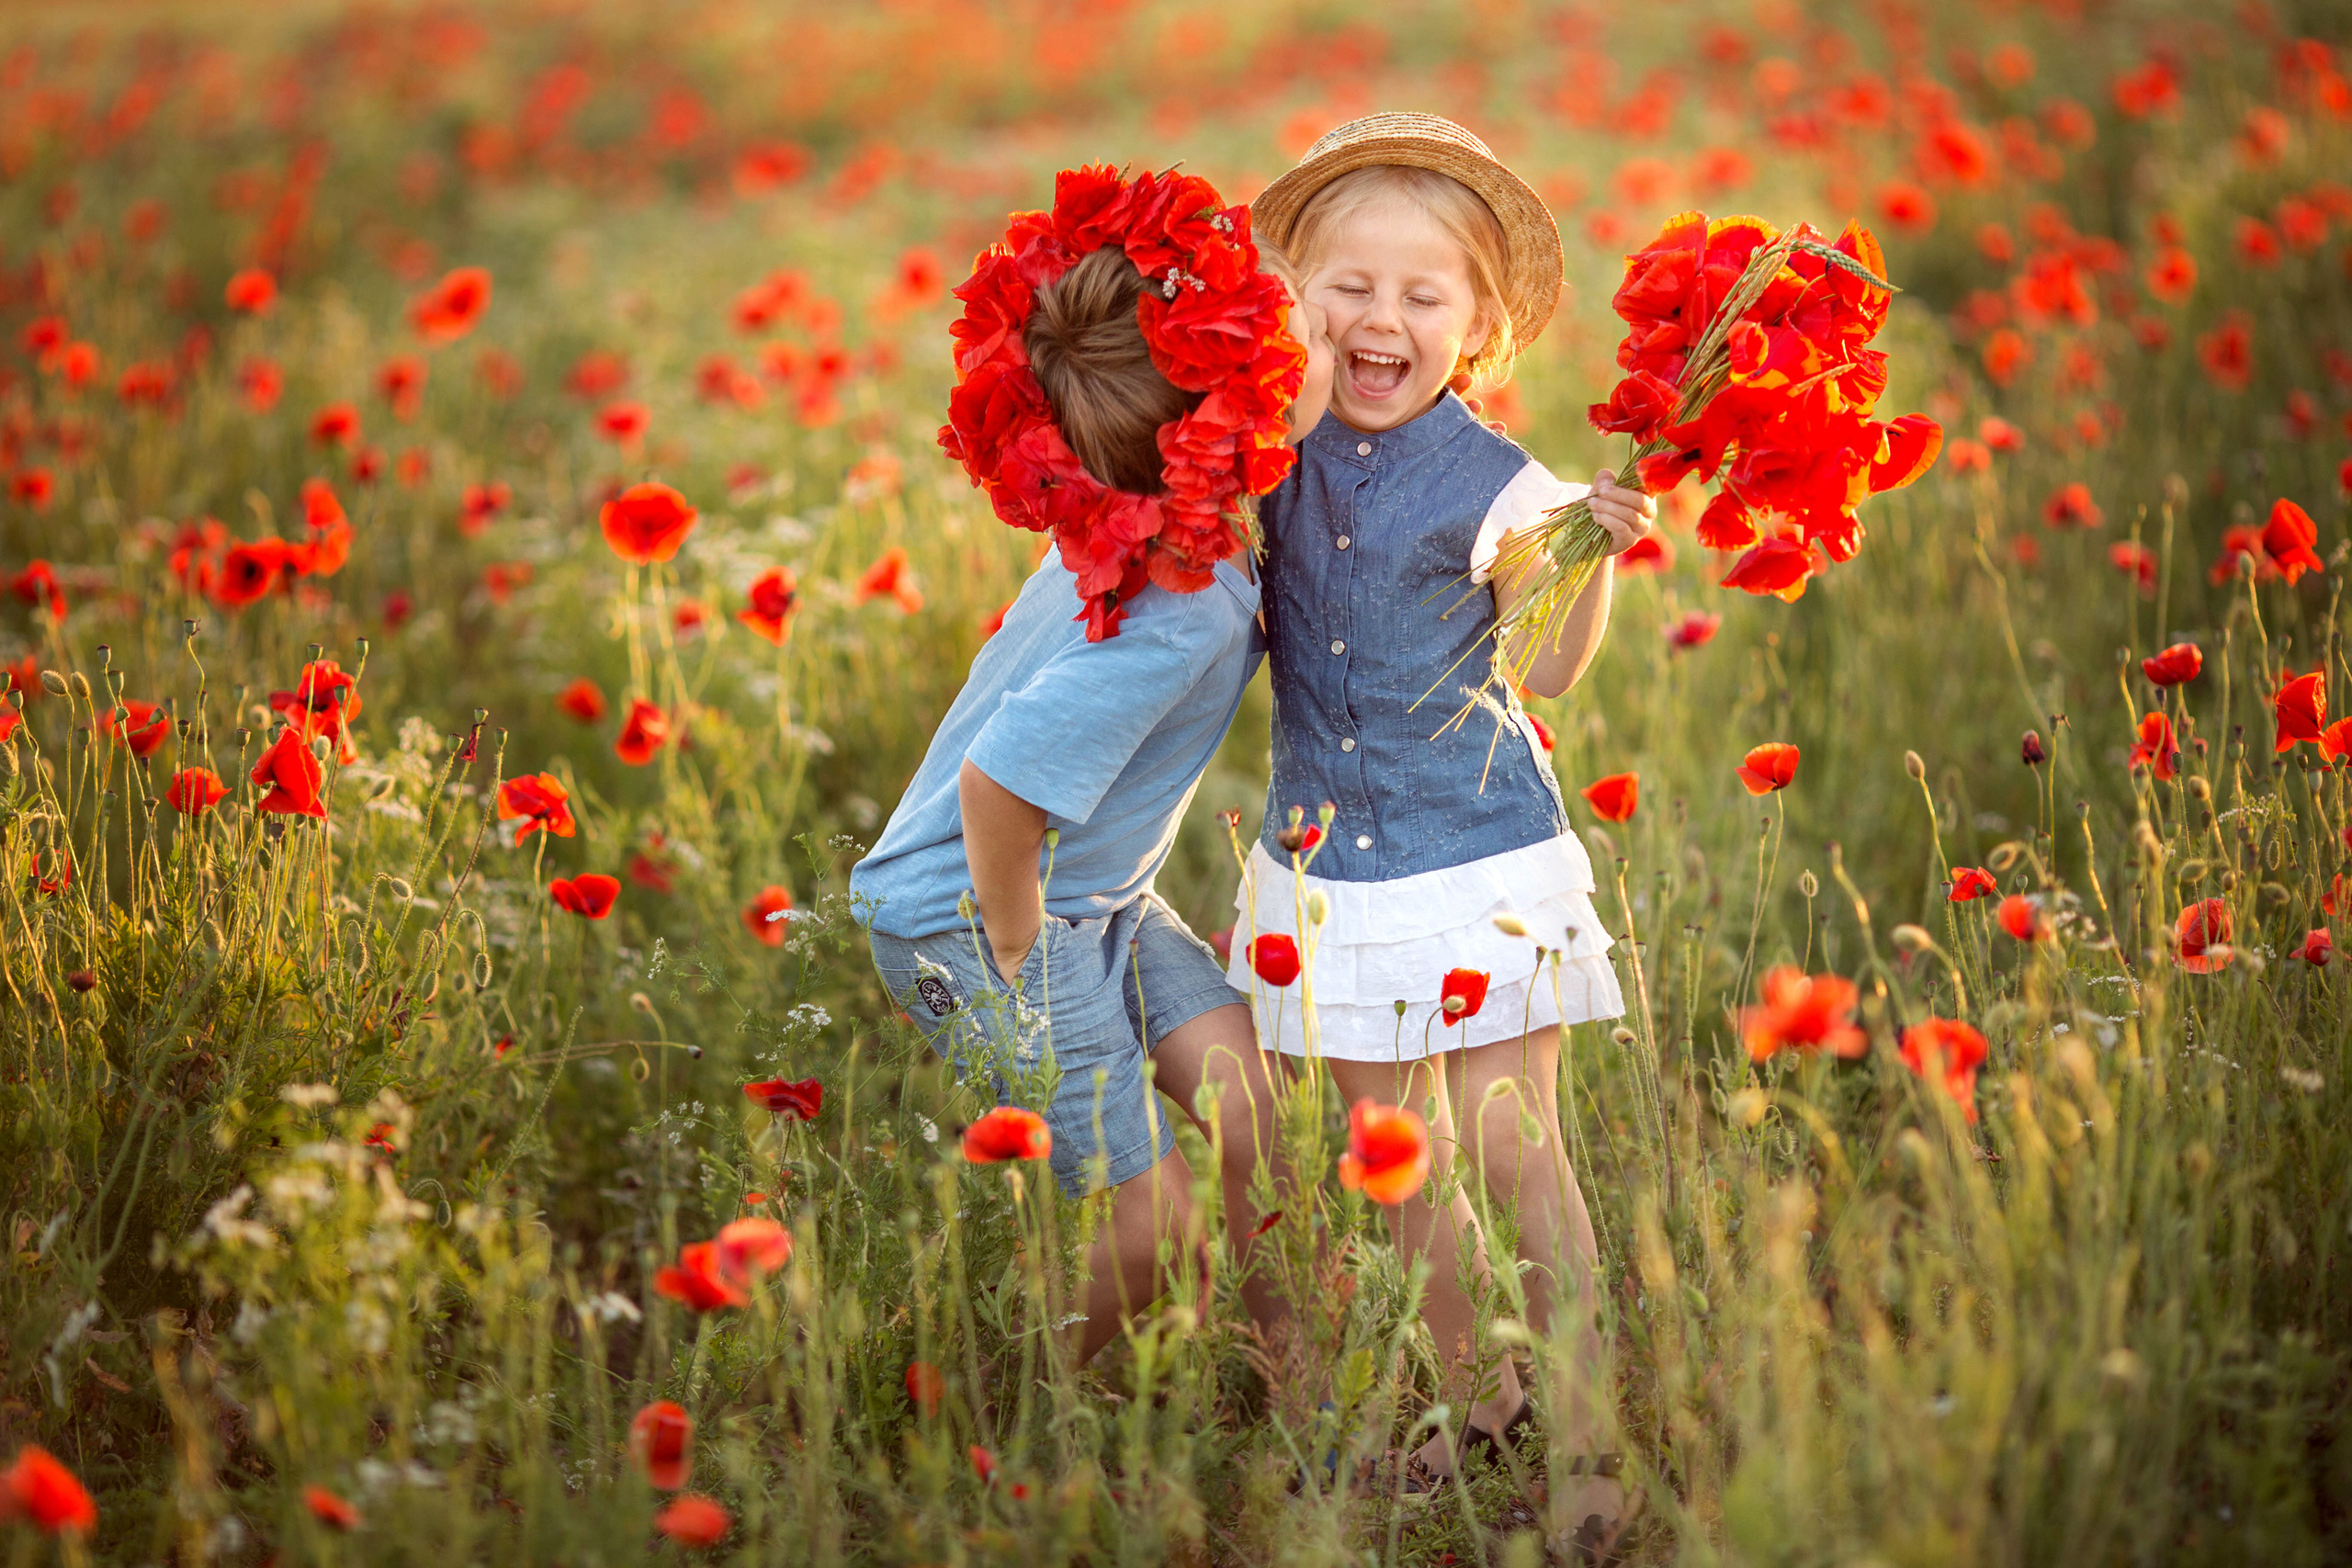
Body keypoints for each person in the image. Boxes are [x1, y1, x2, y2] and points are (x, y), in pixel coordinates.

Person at [1232, 114, 1654, 1551]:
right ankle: (1483, 1398)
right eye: (1348, 286)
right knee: (1390, 1150)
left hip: (1473, 858)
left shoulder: (1500, 479)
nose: (1380, 320)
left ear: (1473, 329)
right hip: (1326, 865)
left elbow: (1543, 675)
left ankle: (1590, 1440)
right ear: (1299, 299)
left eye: (1423, 297)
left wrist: (1593, 556)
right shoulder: (1263, 455)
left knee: (1516, 1150)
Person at [851, 167, 1336, 1366]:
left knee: (1253, 1121)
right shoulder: (1171, 614)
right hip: (975, 914)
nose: (1326, 328)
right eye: (1306, 331)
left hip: (1092, 894)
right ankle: (1034, 1416)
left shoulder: (1170, 517)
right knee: (1153, 1219)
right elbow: (997, 789)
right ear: (1231, 414)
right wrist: (1019, 956)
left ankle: (1303, 1389)